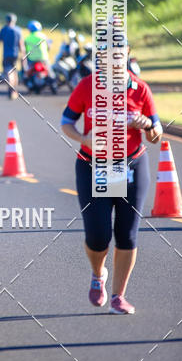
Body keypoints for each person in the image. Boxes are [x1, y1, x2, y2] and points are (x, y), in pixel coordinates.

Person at [61, 49, 162, 314]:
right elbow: (66, 122)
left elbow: (156, 133)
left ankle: (119, 296)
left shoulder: (139, 88)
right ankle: (98, 274)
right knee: (98, 235)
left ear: (126, 55)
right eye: (105, 54)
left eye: (117, 54)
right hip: (92, 166)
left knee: (127, 235)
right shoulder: (87, 85)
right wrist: (84, 139)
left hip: (132, 165)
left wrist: (148, 127)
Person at [0, 13, 25, 100]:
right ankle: (15, 90)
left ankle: (11, 90)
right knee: (14, 72)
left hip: (6, 55)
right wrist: (23, 54)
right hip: (15, 55)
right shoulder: (18, 30)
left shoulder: (3, 30)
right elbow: (21, 44)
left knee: (8, 72)